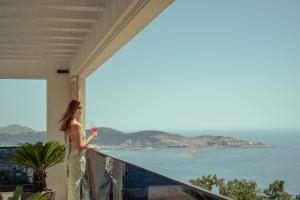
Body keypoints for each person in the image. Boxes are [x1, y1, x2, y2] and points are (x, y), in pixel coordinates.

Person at [58, 99, 98, 200]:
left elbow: (74, 144)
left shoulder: (69, 123)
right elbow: (80, 147)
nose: (81, 111)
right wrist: (93, 136)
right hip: (76, 161)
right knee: (75, 191)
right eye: (80, 108)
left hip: (69, 160)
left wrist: (88, 146)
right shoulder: (76, 125)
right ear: (75, 109)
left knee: (72, 190)